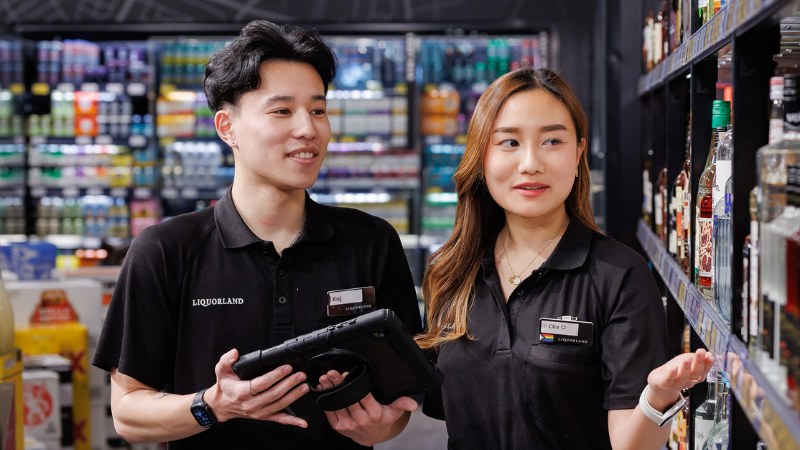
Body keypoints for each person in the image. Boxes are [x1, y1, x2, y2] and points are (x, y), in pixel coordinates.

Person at [92, 20, 421, 449]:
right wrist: (213, 405)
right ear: (227, 127)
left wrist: (381, 427)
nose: (308, 129)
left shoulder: (371, 241)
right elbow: (129, 413)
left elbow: (399, 403)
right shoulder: (165, 250)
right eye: (282, 110)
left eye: (318, 110)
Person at [415, 68, 715, 449]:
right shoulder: (450, 271)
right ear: (481, 157)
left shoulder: (619, 276)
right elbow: (449, 413)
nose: (530, 163)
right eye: (508, 142)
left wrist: (657, 399)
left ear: (578, 154)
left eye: (552, 140)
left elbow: (629, 444)